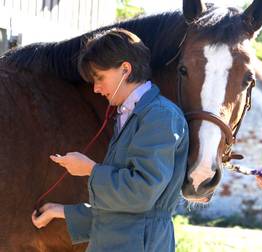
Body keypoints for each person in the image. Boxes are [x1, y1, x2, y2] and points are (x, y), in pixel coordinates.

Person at [31, 28, 189, 252]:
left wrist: (90, 169)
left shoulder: (160, 115)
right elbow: (121, 213)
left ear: (126, 69)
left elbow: (141, 194)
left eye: (100, 78)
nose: (95, 88)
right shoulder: (129, 114)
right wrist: (62, 211)